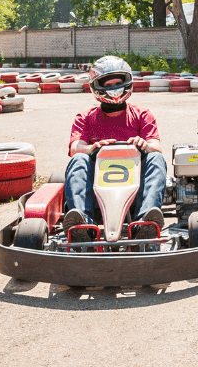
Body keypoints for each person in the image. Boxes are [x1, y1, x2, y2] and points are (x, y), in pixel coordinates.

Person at [62, 55, 167, 238]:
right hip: (96, 192)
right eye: (108, 86)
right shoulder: (85, 117)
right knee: (79, 159)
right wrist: (92, 148)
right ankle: (83, 224)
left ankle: (145, 222)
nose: (114, 89)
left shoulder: (142, 115)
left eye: (117, 83)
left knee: (156, 158)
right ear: (97, 87)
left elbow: (155, 146)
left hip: (136, 191)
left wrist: (144, 146)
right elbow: (75, 148)